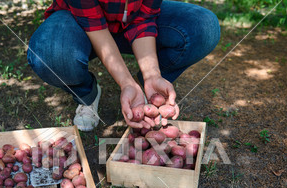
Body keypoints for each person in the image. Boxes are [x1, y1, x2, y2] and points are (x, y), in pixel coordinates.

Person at [28, 0, 220, 131]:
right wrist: (124, 82)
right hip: (79, 25)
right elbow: (95, 27)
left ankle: (142, 88)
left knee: (204, 27)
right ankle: (87, 93)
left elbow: (143, 20)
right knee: (50, 53)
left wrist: (151, 75)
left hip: (125, 21)